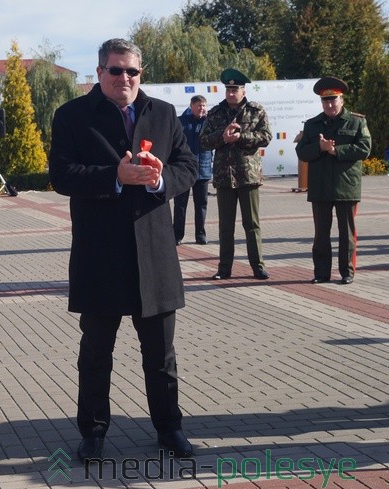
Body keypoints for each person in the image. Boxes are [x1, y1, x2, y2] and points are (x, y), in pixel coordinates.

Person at [49, 38, 197, 461]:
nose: (125, 79)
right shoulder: (73, 116)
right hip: (100, 256)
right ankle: (93, 432)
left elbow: (186, 167)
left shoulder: (164, 114)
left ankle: (170, 429)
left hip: (154, 255)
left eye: (132, 71)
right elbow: (61, 174)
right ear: (99, 73)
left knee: (161, 356)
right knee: (96, 354)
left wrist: (156, 181)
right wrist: (114, 176)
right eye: (116, 71)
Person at [295, 76, 370, 285]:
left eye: (333, 100)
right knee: (321, 234)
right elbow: (302, 152)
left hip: (346, 186)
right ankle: (321, 273)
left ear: (342, 100)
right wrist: (320, 148)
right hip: (320, 187)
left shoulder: (357, 122)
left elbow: (364, 148)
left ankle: (347, 272)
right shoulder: (312, 125)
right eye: (325, 101)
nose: (329, 104)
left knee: (346, 234)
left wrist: (336, 150)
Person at [200, 68, 272, 280]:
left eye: (235, 89)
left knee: (251, 224)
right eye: (228, 89)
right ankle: (224, 268)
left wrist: (241, 137)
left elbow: (266, 137)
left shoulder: (255, 111)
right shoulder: (215, 113)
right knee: (225, 227)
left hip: (248, 175)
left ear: (243, 90)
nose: (231, 93)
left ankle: (258, 266)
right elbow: (204, 141)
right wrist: (222, 137)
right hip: (224, 176)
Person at [174, 95, 213, 245]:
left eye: (203, 106)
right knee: (180, 205)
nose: (201, 108)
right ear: (191, 106)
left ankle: (200, 235)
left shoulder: (208, 122)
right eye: (198, 105)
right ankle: (177, 235)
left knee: (201, 204)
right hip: (183, 170)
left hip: (202, 171)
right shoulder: (181, 121)